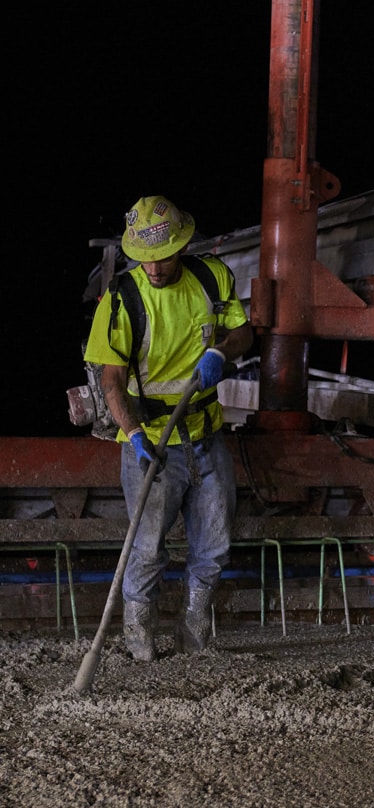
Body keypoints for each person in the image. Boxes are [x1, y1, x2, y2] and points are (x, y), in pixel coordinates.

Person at [84, 196, 253, 661]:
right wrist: (136, 436)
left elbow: (243, 332)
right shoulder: (121, 302)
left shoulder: (211, 278)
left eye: (162, 257)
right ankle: (140, 645)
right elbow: (112, 383)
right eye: (144, 260)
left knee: (215, 543)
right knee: (146, 549)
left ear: (181, 246)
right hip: (151, 440)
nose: (154, 268)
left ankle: (194, 636)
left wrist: (223, 351)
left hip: (205, 431)